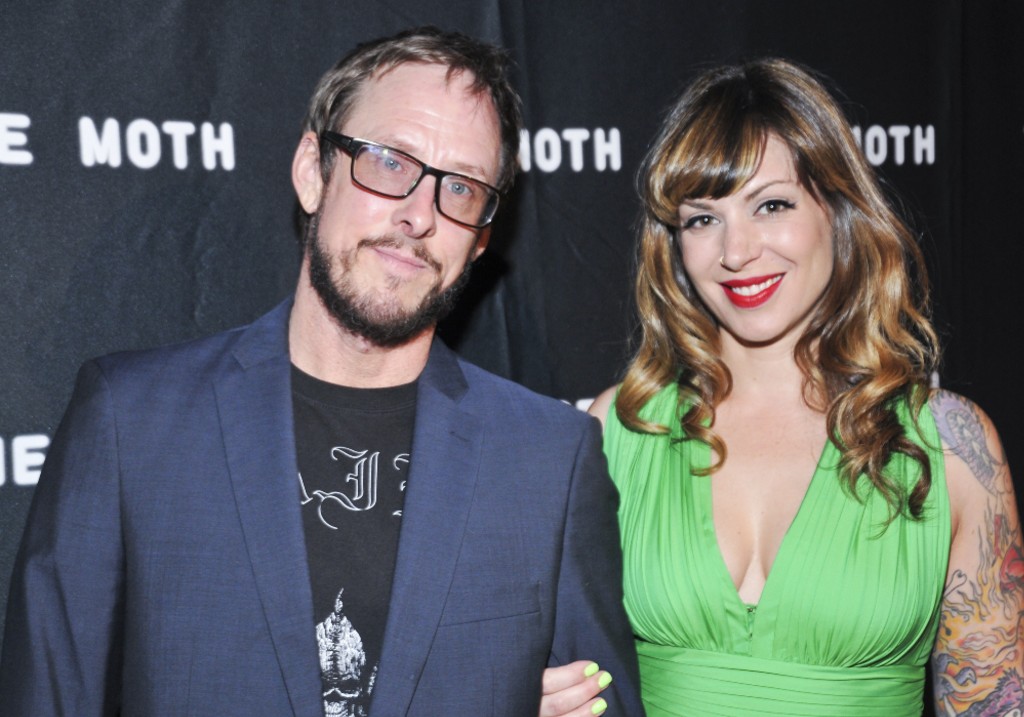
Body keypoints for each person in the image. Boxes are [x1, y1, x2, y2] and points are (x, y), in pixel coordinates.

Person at [0, 26, 642, 717]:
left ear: (481, 238)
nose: (419, 215)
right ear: (313, 171)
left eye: (460, 187)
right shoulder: (132, 422)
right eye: (390, 162)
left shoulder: (549, 459)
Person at [544, 58, 1024, 716]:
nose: (736, 251)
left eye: (772, 205)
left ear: (839, 211)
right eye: (702, 219)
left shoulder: (950, 446)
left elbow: (993, 700)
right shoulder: (620, 429)